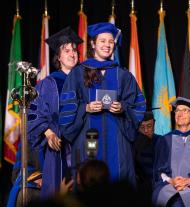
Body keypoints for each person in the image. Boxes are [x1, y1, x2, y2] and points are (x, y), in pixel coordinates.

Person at [59, 22, 146, 185]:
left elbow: (138, 104)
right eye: (102, 41)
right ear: (93, 43)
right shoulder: (78, 73)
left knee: (118, 185)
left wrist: (122, 108)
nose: (107, 45)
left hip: (118, 141)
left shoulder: (123, 74)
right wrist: (86, 107)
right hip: (88, 139)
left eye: (111, 41)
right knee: (89, 184)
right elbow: (66, 107)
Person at [7, 27, 83, 206]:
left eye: (74, 50)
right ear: (58, 56)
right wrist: (48, 133)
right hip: (58, 148)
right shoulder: (48, 83)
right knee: (57, 193)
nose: (72, 54)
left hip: (81, 147)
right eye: (67, 50)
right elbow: (34, 113)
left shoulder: (85, 82)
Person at [133, 109, 162, 202]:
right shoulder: (132, 144)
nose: (146, 130)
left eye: (149, 126)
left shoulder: (161, 141)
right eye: (142, 127)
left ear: (154, 124)